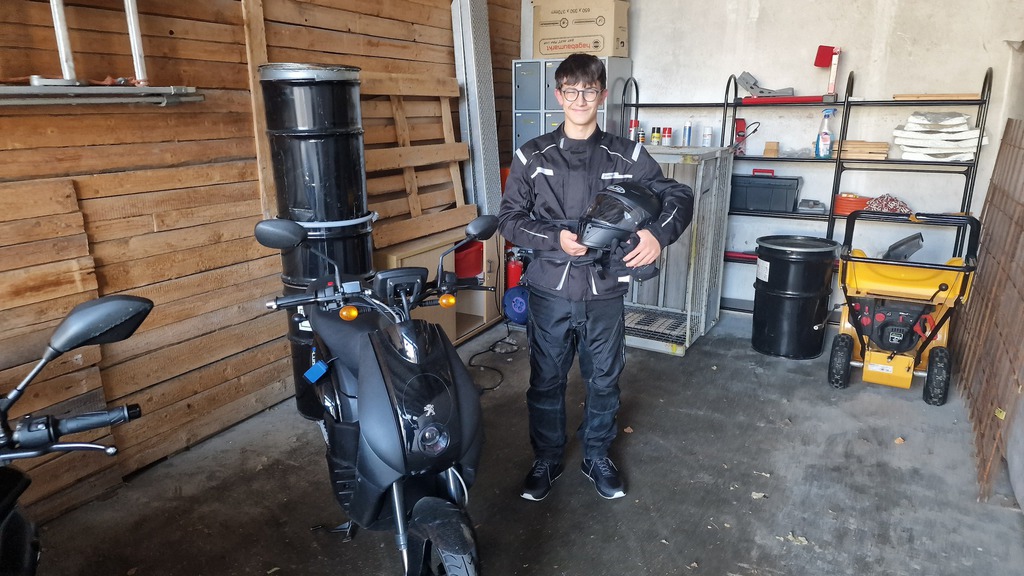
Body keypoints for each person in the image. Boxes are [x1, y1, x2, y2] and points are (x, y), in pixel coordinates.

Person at [497, 53, 694, 501]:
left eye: (589, 90)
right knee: (546, 380)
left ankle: (596, 454)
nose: (580, 99)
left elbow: (677, 194)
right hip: (549, 288)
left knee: (604, 379)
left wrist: (658, 235)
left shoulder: (628, 155)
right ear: (558, 95)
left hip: (605, 289)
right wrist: (555, 238)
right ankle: (547, 458)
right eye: (571, 90)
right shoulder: (533, 156)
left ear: (602, 95)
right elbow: (509, 219)